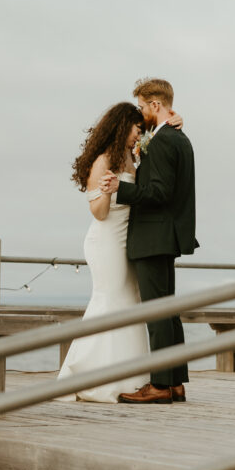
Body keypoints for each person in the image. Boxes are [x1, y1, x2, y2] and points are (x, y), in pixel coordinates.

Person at [57, 100, 183, 403]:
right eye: (135, 130)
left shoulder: (132, 155)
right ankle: (94, 376)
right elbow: (98, 213)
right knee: (110, 299)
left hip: (129, 240)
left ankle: (134, 375)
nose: (138, 136)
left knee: (130, 303)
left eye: (141, 130)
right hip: (106, 240)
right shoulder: (103, 160)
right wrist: (107, 189)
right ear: (121, 127)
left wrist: (176, 121)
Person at [100, 77, 197, 404]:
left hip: (154, 234)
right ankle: (175, 382)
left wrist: (120, 189)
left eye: (143, 106)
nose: (141, 114)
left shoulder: (164, 141)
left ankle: (159, 384)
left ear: (156, 105)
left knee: (157, 312)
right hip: (164, 235)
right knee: (168, 312)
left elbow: (159, 192)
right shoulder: (176, 136)